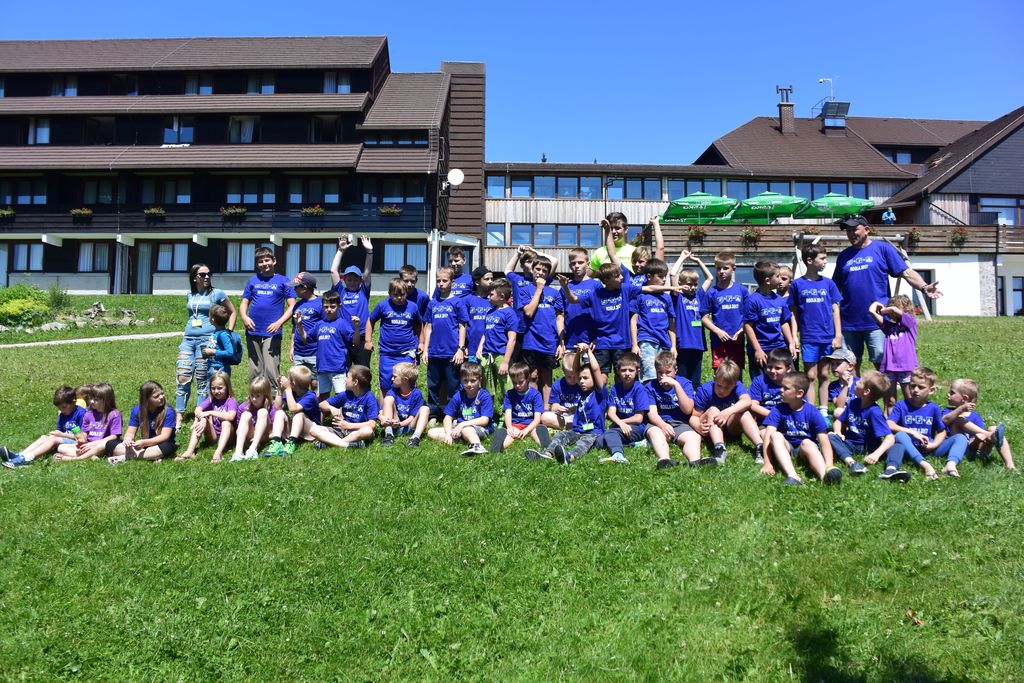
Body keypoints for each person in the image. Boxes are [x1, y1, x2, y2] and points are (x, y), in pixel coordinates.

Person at [832, 214, 940, 370]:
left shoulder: (882, 249)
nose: (850, 234)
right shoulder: (843, 256)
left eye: (854, 229)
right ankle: (855, 387)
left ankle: (887, 387)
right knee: (850, 365)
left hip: (877, 320)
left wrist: (924, 287)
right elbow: (835, 288)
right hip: (849, 321)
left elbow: (906, 272)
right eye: (847, 231)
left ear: (866, 230)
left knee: (882, 362)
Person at [525, 344, 607, 465]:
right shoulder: (580, 389)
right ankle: (547, 454)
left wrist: (588, 351)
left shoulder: (599, 392)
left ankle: (569, 457)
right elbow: (575, 369)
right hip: (577, 429)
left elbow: (595, 369)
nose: (581, 381)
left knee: (583, 444)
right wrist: (578, 353)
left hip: (593, 432)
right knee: (561, 435)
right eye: (580, 378)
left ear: (594, 380)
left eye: (585, 378)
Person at [176, 263, 235, 427]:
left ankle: (199, 416)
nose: (207, 277)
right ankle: (179, 417)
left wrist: (228, 332)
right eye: (202, 275)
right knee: (182, 376)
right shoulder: (190, 294)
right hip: (188, 340)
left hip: (207, 340)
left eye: (209, 274)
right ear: (194, 278)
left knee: (202, 378)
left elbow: (232, 311)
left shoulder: (217, 294)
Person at [761, 371, 841, 485]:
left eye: (785, 388)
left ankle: (825, 476)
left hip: (805, 449)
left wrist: (829, 466)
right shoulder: (778, 409)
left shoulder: (812, 412)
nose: (781, 390)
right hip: (786, 448)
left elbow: (825, 443)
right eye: (781, 387)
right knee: (775, 435)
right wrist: (767, 463)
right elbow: (768, 437)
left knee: (807, 442)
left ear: (799, 393)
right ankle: (793, 476)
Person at [790, 245, 843, 415]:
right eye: (822, 258)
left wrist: (838, 335)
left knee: (825, 374)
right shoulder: (796, 284)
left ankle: (824, 411)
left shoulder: (829, 283)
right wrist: (794, 336)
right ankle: (811, 411)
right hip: (808, 337)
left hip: (827, 337)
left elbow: (835, 310)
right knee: (811, 375)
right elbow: (793, 312)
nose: (825, 262)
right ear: (809, 260)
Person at [599, 351, 675, 468]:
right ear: (618, 371)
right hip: (622, 426)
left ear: (637, 371)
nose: (627, 374)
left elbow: (638, 418)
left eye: (631, 370)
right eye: (623, 370)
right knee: (600, 441)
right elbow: (611, 412)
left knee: (611, 433)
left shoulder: (639, 389)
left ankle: (618, 455)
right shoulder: (615, 388)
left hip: (637, 427)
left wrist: (620, 423)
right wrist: (620, 423)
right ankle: (635, 444)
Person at [239, 247, 295, 393]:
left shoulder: (284, 281)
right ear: (257, 264)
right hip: (253, 330)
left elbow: (292, 306)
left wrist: (279, 323)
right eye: (261, 261)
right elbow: (244, 302)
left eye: (267, 260)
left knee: (271, 368)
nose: (264, 264)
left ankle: (274, 399)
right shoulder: (253, 280)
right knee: (255, 368)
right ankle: (255, 397)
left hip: (272, 332)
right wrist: (244, 317)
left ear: (274, 261)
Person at [940, 378, 1016, 475]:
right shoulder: (948, 412)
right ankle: (990, 435)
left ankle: (1010, 465)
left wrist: (976, 440)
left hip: (976, 449)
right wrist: (960, 410)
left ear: (964, 398)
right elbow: (943, 421)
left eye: (952, 392)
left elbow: (980, 439)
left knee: (994, 429)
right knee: (959, 419)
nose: (948, 394)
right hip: (957, 448)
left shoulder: (975, 417)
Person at [295, 290, 361, 400]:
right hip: (322, 367)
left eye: (332, 306)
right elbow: (306, 339)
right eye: (326, 307)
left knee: (341, 396)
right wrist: (300, 325)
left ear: (339, 306)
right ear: (322, 307)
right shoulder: (319, 325)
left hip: (337, 368)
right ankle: (322, 412)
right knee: (322, 397)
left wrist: (357, 327)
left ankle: (341, 412)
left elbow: (355, 342)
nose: (329, 309)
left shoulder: (342, 323)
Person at [1, 385, 86, 467]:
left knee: (53, 439)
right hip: (63, 439)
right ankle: (20, 455)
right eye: (59, 408)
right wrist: (55, 434)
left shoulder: (81, 414)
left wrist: (61, 435)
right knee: (44, 437)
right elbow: (59, 431)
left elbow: (82, 437)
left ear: (74, 402)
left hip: (76, 442)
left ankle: (26, 459)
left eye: (63, 407)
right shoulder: (63, 414)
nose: (61, 410)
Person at [423, 267, 468, 421]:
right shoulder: (432, 303)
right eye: (438, 281)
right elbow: (428, 327)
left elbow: (462, 326)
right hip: (434, 352)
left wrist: (460, 349)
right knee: (433, 385)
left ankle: (453, 414)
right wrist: (426, 350)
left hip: (452, 353)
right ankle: (433, 414)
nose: (441, 284)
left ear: (452, 282)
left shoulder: (457, 302)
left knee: (453, 386)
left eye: (444, 281)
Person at [882, 367, 942, 481]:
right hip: (907, 446)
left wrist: (934, 445)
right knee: (900, 435)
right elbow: (889, 424)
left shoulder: (934, 408)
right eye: (912, 386)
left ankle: (951, 465)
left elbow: (942, 431)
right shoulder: (902, 405)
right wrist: (912, 432)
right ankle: (924, 464)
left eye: (921, 387)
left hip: (927, 447)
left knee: (960, 438)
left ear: (931, 390)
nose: (915, 390)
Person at [520, 256, 565, 407]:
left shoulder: (554, 293)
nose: (540, 273)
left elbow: (559, 318)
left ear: (548, 273)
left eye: (544, 271)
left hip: (549, 342)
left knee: (547, 377)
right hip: (531, 341)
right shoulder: (525, 290)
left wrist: (561, 342)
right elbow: (528, 312)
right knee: (532, 376)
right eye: (537, 269)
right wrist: (539, 290)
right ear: (532, 270)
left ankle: (546, 410)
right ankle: (534, 410)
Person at [644, 351, 702, 466]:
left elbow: (687, 410)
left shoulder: (684, 384)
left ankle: (695, 460)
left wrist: (676, 385)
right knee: (655, 433)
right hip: (658, 423)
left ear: (676, 370)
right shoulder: (650, 386)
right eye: (660, 372)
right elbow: (652, 413)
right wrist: (663, 425)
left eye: (668, 372)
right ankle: (664, 460)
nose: (663, 376)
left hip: (680, 423)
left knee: (694, 437)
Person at [829, 370, 893, 474]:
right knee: (830, 436)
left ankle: (847, 458)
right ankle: (852, 462)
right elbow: (838, 421)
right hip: (850, 443)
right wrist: (838, 432)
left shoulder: (874, 412)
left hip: (868, 447)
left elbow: (890, 438)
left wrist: (876, 454)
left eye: (860, 382)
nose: (856, 382)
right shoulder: (853, 403)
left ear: (866, 391)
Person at [367, 278, 423, 397]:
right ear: (389, 293)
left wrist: (421, 343)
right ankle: (384, 407)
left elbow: (419, 325)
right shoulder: (383, 306)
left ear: (406, 293)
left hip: (406, 352)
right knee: (385, 384)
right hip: (387, 353)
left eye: (402, 295)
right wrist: (368, 340)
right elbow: (371, 320)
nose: (399, 298)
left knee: (408, 382)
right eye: (395, 295)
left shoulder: (413, 307)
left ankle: (408, 406)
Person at [690, 359, 751, 464]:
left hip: (730, 426)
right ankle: (720, 448)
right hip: (710, 427)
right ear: (714, 378)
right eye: (719, 385)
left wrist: (727, 412)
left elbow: (747, 401)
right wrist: (698, 426)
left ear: (735, 385)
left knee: (744, 412)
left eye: (727, 388)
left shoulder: (737, 386)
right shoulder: (705, 390)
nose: (722, 390)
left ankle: (760, 446)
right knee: (713, 410)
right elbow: (694, 416)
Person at [426, 362, 493, 457]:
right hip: (460, 428)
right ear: (461, 380)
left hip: (480, 429)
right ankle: (460, 439)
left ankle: (477, 446)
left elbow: (484, 420)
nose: (469, 384)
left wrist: (463, 424)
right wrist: (448, 433)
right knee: (431, 432)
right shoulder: (459, 395)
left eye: (473, 381)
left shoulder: (485, 396)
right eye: (465, 381)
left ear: (480, 380)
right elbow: (448, 417)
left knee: (467, 429)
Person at [742, 261, 796, 378]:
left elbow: (784, 322)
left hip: (779, 347)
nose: (780, 279)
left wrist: (791, 343)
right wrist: (758, 350)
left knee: (789, 380)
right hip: (762, 349)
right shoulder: (753, 300)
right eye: (777, 276)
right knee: (763, 383)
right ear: (768, 281)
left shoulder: (779, 299)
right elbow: (747, 326)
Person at [330, 234, 374, 368]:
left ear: (360, 280)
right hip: (343, 337)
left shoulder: (363, 291)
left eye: (355, 279)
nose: (352, 282)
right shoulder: (340, 290)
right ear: (344, 280)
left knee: (362, 372)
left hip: (361, 338)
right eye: (349, 279)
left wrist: (369, 252)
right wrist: (340, 250)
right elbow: (333, 271)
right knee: (344, 373)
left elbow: (367, 273)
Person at [107, 381, 177, 464]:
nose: (161, 397)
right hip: (145, 446)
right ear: (146, 399)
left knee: (168, 447)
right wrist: (128, 439)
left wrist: (144, 442)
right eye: (156, 396)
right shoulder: (137, 410)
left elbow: (164, 436)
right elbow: (130, 432)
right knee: (110, 444)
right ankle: (149, 456)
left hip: (160, 444)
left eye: (162, 393)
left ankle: (127, 457)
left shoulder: (169, 411)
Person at [630, 258, 675, 383]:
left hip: (664, 342)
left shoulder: (666, 297)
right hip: (647, 340)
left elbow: (671, 324)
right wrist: (635, 344)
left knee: (664, 376)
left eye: (665, 276)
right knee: (649, 375)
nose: (664, 279)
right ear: (649, 276)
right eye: (660, 276)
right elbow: (633, 321)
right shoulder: (639, 295)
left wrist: (673, 346)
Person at [701, 251, 747, 375]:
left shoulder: (742, 291)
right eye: (718, 268)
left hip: (737, 340)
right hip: (718, 342)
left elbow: (749, 316)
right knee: (720, 375)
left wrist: (742, 331)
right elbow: (704, 318)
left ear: (733, 269)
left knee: (736, 375)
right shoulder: (712, 292)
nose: (722, 271)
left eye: (725, 268)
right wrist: (718, 331)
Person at [176, 370, 238, 463]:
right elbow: (197, 409)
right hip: (213, 436)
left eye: (219, 388)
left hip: (229, 438)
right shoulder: (211, 399)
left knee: (226, 423)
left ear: (227, 387)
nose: (216, 391)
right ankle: (190, 451)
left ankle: (218, 453)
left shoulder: (231, 401)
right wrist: (201, 418)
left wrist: (210, 412)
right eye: (213, 388)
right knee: (203, 419)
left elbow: (231, 416)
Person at [745, 348, 794, 464]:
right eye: (769, 367)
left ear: (788, 368)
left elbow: (801, 405)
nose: (772, 371)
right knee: (765, 434)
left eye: (778, 368)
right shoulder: (760, 381)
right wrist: (773, 415)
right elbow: (752, 405)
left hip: (789, 421)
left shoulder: (794, 382)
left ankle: (785, 452)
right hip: (765, 422)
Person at [869, 295, 918, 407]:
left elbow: (894, 310)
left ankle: (910, 416)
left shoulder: (910, 323)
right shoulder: (889, 327)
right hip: (889, 368)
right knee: (890, 401)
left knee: (909, 399)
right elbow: (871, 311)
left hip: (906, 367)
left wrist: (885, 310)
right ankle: (890, 418)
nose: (891, 314)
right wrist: (877, 306)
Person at [314, 365, 380, 449]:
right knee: (313, 429)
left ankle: (333, 443)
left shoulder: (369, 397)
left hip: (358, 431)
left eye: (347, 377)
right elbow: (321, 404)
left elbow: (372, 424)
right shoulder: (346, 394)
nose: (345, 379)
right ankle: (347, 444)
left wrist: (349, 425)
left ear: (355, 382)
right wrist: (331, 408)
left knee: (368, 431)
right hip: (342, 430)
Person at [261, 366, 321, 457]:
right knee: (280, 413)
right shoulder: (293, 393)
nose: (287, 380)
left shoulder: (310, 396)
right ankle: (277, 441)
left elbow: (293, 408)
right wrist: (280, 390)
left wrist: (288, 389)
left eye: (288, 378)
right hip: (296, 430)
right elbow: (278, 407)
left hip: (311, 432)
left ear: (293, 383)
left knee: (299, 414)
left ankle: (292, 442)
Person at [476, 278, 518, 406]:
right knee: (487, 388)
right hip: (487, 355)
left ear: (502, 296)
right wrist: (480, 348)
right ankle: (488, 413)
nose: (488, 297)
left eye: (491, 294)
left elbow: (512, 339)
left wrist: (505, 361)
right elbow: (486, 333)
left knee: (507, 387)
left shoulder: (509, 313)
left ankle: (510, 412)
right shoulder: (490, 312)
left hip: (501, 355)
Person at [53, 383, 122, 462]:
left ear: (106, 401)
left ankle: (73, 458)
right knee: (61, 447)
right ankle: (90, 455)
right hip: (89, 443)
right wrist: (81, 441)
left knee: (102, 445)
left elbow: (114, 436)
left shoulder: (114, 414)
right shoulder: (88, 414)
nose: (91, 401)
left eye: (96, 400)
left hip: (102, 444)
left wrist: (93, 444)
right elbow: (84, 433)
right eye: (91, 398)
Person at [491, 362, 548, 452]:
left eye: (521, 382)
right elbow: (507, 413)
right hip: (515, 425)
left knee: (537, 432)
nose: (517, 385)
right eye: (514, 382)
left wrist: (526, 431)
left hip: (531, 425)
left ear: (528, 378)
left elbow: (537, 419)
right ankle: (497, 447)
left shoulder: (536, 394)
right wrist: (509, 428)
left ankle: (547, 447)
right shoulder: (509, 394)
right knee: (508, 437)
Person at [670, 263, 708, 388]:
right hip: (683, 344)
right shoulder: (678, 297)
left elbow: (710, 278)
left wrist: (698, 261)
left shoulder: (699, 295)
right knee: (682, 378)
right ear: (680, 283)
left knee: (696, 380)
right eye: (689, 284)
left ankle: (694, 399)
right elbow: (672, 274)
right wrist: (682, 257)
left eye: (695, 284)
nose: (692, 287)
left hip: (698, 344)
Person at [380, 362, 430, 447]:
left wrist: (400, 424)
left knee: (425, 409)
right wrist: (382, 418)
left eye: (395, 376)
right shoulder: (392, 390)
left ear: (405, 380)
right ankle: (389, 435)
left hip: (410, 426)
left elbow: (412, 418)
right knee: (388, 399)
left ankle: (415, 438)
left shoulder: (416, 394)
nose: (392, 379)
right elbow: (381, 411)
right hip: (393, 425)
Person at [561, 248, 600, 350]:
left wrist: (597, 337)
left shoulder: (596, 285)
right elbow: (560, 315)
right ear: (570, 266)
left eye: (580, 262)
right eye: (573, 263)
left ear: (588, 264)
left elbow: (602, 314)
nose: (577, 266)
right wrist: (561, 341)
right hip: (570, 339)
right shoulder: (565, 286)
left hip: (592, 341)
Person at [229, 377, 276, 462]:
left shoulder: (271, 408)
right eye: (252, 395)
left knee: (262, 412)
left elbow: (276, 432)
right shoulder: (243, 407)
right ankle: (238, 453)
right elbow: (238, 430)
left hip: (265, 436)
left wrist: (264, 437)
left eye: (257, 396)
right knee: (246, 414)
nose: (254, 399)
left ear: (265, 396)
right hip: (250, 435)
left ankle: (252, 450)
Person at [288, 272, 322, 387]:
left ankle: (315, 399)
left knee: (314, 383)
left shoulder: (320, 304)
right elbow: (294, 328)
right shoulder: (298, 305)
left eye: (296, 287)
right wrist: (292, 347)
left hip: (314, 352)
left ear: (305, 287)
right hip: (299, 352)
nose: (294, 289)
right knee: (297, 383)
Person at [461, 266, 494, 363]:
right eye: (487, 279)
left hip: (490, 349)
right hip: (471, 349)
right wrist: (463, 346)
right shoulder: (467, 300)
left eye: (492, 278)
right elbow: (462, 325)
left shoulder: (495, 300)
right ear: (477, 282)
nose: (490, 281)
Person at [541, 352, 581, 430]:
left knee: (594, 417)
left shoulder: (582, 383)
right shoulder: (557, 385)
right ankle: (576, 427)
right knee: (545, 417)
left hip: (580, 415)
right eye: (569, 377)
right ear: (563, 371)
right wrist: (558, 409)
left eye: (575, 376)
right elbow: (554, 407)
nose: (572, 379)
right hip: (565, 416)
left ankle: (574, 426)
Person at [202, 304, 238, 377]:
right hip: (212, 366)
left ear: (212, 319)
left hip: (220, 368)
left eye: (209, 316)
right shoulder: (216, 332)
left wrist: (212, 351)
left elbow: (230, 352)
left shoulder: (223, 335)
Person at [823, 348, 860, 419]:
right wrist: (845, 385)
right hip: (846, 414)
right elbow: (839, 406)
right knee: (837, 412)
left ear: (850, 366)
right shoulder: (833, 386)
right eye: (832, 364)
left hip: (860, 414)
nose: (834, 367)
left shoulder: (860, 382)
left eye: (838, 364)